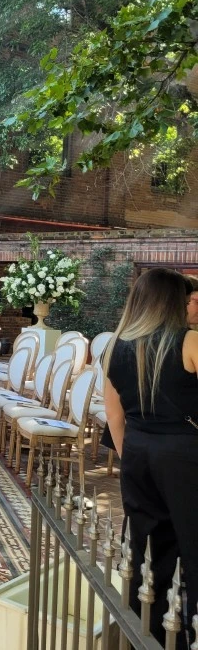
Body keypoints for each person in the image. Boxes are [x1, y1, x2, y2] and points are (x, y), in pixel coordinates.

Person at [103, 267, 198, 648]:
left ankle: (147, 633)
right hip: (184, 455)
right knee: (192, 544)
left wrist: (131, 456)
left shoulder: (116, 344)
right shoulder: (189, 341)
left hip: (138, 450)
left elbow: (114, 416)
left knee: (146, 547)